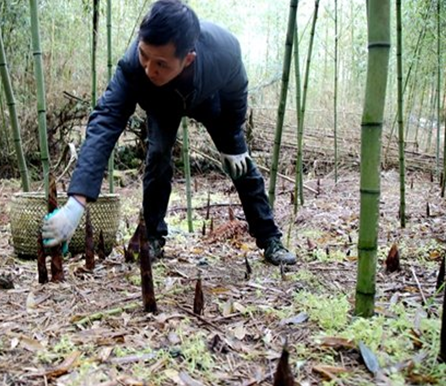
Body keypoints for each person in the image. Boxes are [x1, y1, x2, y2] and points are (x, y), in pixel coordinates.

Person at [41, 0, 296, 265]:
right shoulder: (132, 67)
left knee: (241, 164)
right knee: (158, 156)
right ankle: (152, 238)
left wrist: (233, 136)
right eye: (144, 56)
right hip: (161, 103)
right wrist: (76, 202)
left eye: (161, 63)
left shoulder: (223, 51)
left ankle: (270, 239)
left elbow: (237, 88)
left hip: (210, 99)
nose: (150, 69)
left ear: (187, 59)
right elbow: (105, 121)